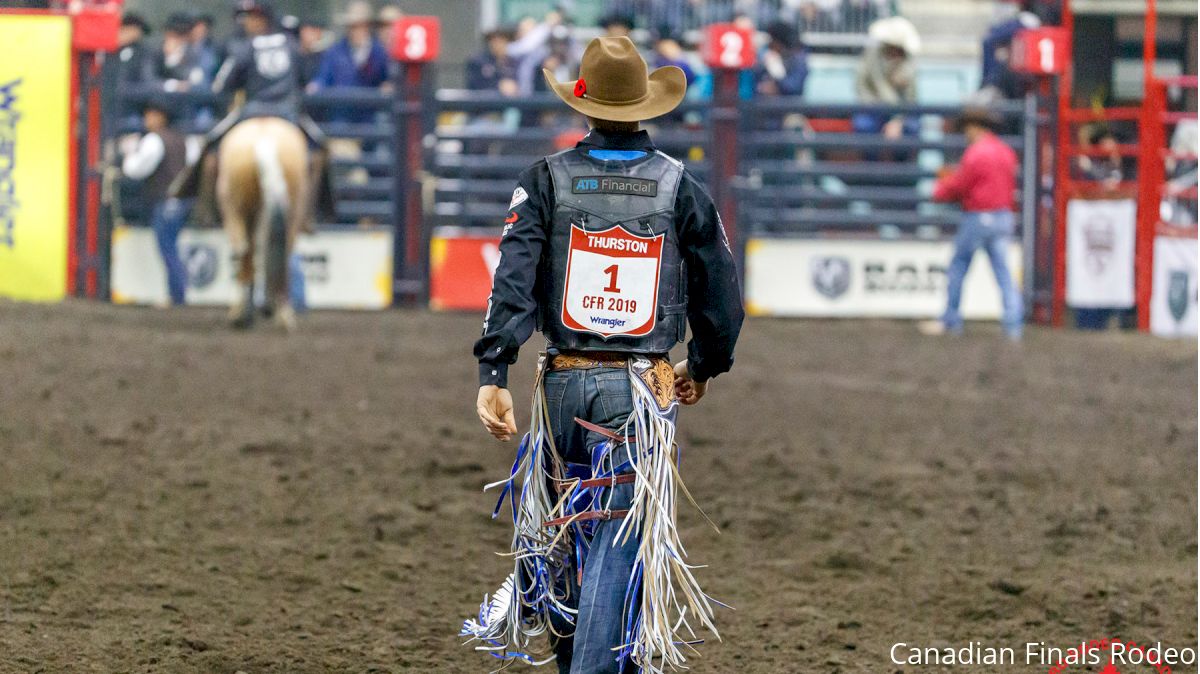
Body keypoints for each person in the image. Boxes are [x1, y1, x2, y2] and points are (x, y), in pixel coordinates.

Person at [462, 36, 744, 674]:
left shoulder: (544, 180)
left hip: (560, 385)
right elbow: (722, 297)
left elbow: (512, 280)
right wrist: (701, 365)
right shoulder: (680, 187)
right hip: (640, 391)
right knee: (621, 542)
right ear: (644, 109)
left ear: (582, 107)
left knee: (563, 538)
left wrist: (493, 371)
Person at [172, 0, 330, 226]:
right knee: (320, 150)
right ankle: (308, 215)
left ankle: (205, 211)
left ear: (262, 19)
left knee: (210, 149)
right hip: (288, 113)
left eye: (251, 17)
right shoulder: (292, 45)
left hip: (251, 111)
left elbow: (221, 86)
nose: (246, 22)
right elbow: (305, 81)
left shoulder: (245, 47)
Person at [920, 107, 1023, 340]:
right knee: (1002, 270)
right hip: (1003, 215)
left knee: (958, 265)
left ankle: (951, 319)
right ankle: (1013, 324)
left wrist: (940, 188)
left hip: (978, 216)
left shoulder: (975, 154)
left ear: (974, 128)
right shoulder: (1006, 152)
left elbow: (960, 185)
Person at [122, 101, 192, 307]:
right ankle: (178, 292)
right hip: (182, 200)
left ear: (161, 117)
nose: (147, 119)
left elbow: (137, 169)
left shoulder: (154, 140)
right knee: (171, 246)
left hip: (166, 200)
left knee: (167, 247)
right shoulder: (181, 139)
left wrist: (128, 155)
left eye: (151, 115)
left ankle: (177, 295)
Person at [855, 16, 921, 139]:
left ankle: (904, 158)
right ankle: (870, 158)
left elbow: (911, 99)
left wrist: (897, 120)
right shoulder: (871, 59)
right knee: (863, 125)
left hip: (902, 113)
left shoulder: (908, 65)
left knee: (912, 127)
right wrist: (876, 106)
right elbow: (861, 89)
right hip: (873, 110)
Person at [753, 20, 808, 98]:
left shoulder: (799, 60)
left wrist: (779, 77)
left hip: (789, 106)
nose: (769, 45)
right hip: (764, 105)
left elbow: (794, 88)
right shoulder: (767, 57)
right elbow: (755, 84)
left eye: (772, 41)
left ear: (778, 42)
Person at [466, 28, 518, 95]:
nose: (497, 45)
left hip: (509, 102)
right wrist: (498, 87)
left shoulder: (513, 62)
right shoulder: (478, 62)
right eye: (494, 41)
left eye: (501, 41)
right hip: (484, 102)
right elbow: (473, 87)